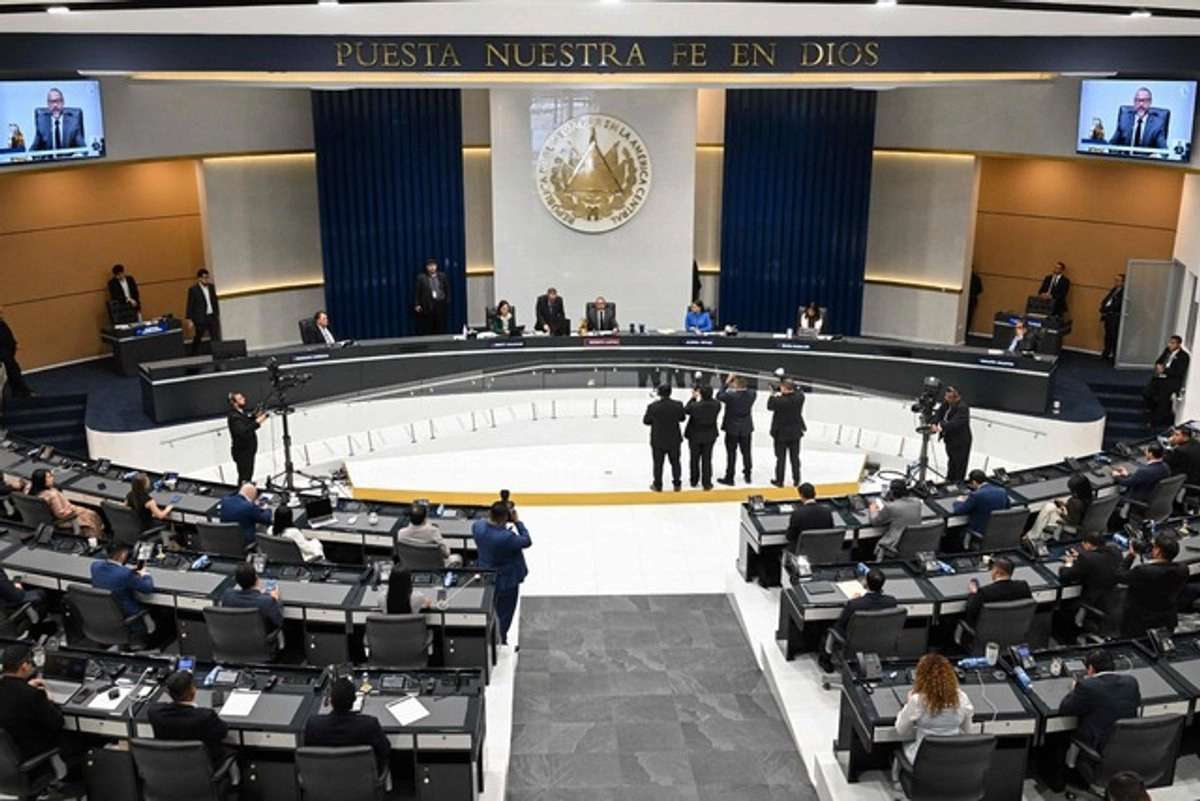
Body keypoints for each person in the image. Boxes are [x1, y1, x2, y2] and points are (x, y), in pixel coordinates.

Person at [894, 653, 975, 766]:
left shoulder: (918, 700)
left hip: (923, 760)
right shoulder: (962, 698)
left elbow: (900, 730)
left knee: (902, 746)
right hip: (952, 760)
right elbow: (968, 732)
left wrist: (908, 703)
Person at [1059, 649, 1140, 759]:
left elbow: (1065, 709)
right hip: (1127, 750)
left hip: (1098, 749)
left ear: (1091, 668)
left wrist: (1074, 689)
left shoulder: (1087, 686)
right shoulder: (1131, 682)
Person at [0, 644, 66, 779]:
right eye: (32, 663)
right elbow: (58, 722)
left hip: (6, 761)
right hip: (32, 759)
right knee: (80, 740)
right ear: (24, 666)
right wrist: (49, 699)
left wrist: (25, 686)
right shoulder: (32, 695)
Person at [472, 499, 531, 646]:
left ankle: (491, 638)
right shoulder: (506, 537)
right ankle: (500, 640)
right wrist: (517, 522)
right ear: (505, 517)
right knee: (505, 614)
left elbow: (485, 523)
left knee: (490, 608)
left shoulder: (477, 527)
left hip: (486, 576)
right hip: (506, 580)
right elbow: (526, 540)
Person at [818, 567, 898, 673]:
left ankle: (825, 660)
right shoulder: (892, 602)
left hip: (855, 638)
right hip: (878, 637)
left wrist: (854, 601)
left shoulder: (854, 604)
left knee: (832, 630)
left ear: (866, 583)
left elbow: (841, 624)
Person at [148, 670, 233, 768]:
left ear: (169, 693)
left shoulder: (155, 713)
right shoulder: (206, 716)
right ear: (192, 690)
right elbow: (223, 732)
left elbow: (158, 706)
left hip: (170, 766)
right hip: (206, 766)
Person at [304, 677, 391, 772]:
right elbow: (385, 750)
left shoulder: (313, 725)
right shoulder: (370, 724)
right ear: (354, 700)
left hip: (324, 775)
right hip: (362, 777)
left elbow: (309, 753)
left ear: (331, 701)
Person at [1117, 532, 1188, 638]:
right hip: (1166, 620)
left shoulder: (1144, 571)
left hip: (1140, 623)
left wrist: (1131, 555)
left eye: (1154, 547)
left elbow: (1119, 575)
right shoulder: (1182, 569)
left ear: (1158, 551)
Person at [1056, 531, 1122, 639]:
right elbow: (1099, 563)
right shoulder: (1116, 552)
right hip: (1111, 602)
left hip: (1091, 603)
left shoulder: (1087, 558)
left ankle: (1066, 637)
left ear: (1089, 544)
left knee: (1062, 606)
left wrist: (1068, 563)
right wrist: (1081, 557)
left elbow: (1066, 575)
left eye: (1084, 544)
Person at [90, 542, 155, 625]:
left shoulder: (95, 566)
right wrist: (145, 574)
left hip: (104, 618)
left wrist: (129, 572)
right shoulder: (125, 573)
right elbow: (148, 588)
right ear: (123, 555)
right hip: (129, 619)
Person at [221, 562, 284, 641]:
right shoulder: (268, 601)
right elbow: (279, 622)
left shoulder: (227, 595)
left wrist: (259, 593)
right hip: (260, 643)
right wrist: (276, 599)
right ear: (257, 579)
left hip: (233, 641)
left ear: (236, 580)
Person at [963, 556, 1031, 629]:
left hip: (988, 631)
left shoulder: (984, 593)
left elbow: (970, 611)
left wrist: (973, 593)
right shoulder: (1023, 586)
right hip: (1015, 630)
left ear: (996, 572)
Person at [30, 468, 103, 536]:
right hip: (65, 519)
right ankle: (95, 539)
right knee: (92, 515)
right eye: (49, 477)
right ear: (42, 480)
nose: (52, 478)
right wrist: (75, 511)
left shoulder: (33, 491)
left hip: (46, 519)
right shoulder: (53, 495)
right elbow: (61, 514)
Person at [716, 374, 757, 486]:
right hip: (746, 428)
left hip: (732, 428)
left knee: (731, 454)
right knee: (747, 453)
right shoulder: (752, 394)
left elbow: (719, 395)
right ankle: (748, 475)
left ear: (736, 384)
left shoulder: (730, 396)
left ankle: (730, 477)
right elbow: (748, 390)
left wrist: (726, 382)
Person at [644, 384, 686, 492]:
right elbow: (682, 418)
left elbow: (646, 421)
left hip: (658, 440)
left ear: (659, 393)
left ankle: (658, 485)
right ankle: (677, 484)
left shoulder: (653, 406)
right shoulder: (678, 405)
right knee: (675, 462)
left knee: (658, 464)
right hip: (674, 439)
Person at [1027, 473, 1093, 541]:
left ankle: (1033, 537)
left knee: (1048, 508)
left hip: (1072, 527)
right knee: (1051, 508)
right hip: (1080, 523)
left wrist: (1061, 513)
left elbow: (1073, 521)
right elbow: (1078, 512)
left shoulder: (1075, 502)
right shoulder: (1089, 497)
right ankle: (1038, 535)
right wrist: (1065, 506)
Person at [951, 469, 1012, 543]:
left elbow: (958, 511)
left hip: (979, 535)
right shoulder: (1002, 491)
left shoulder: (975, 495)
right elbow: (1008, 508)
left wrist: (958, 501)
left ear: (974, 482)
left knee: (954, 534)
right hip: (997, 534)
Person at [870, 479, 925, 560]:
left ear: (891, 492)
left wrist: (872, 508)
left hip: (893, 547)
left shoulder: (891, 507)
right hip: (914, 546)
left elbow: (875, 522)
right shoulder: (917, 503)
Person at [1143, 335, 1189, 427]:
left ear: (1178, 344)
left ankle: (1155, 422)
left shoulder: (1183, 356)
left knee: (1163, 399)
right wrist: (1158, 366)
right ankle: (1151, 409)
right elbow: (1159, 361)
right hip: (1160, 377)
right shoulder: (1167, 351)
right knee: (1147, 393)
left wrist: (1164, 370)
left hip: (1171, 381)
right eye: (1169, 343)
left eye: (1173, 343)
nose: (1170, 345)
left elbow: (1179, 372)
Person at [396, 503, 462, 567]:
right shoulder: (433, 531)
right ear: (425, 518)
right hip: (434, 567)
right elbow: (447, 554)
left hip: (410, 565)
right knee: (457, 558)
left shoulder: (401, 533)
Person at [767, 379, 805, 487]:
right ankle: (797, 479)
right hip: (795, 432)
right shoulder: (800, 398)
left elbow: (769, 406)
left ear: (784, 388)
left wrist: (772, 393)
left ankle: (780, 481)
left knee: (780, 459)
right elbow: (798, 390)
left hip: (781, 434)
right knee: (795, 458)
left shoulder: (779, 401)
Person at [684, 385, 721, 490]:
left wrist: (693, 398)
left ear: (701, 394)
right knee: (707, 459)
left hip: (694, 435)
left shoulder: (695, 406)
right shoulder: (717, 404)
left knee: (694, 459)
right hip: (710, 435)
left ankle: (694, 480)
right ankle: (707, 483)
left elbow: (686, 410)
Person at [227, 392, 267, 486]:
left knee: (248, 475)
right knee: (244, 476)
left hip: (248, 451)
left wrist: (254, 416)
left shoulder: (241, 413)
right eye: (240, 399)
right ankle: (243, 491)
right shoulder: (234, 417)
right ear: (234, 403)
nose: (244, 399)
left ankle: (247, 488)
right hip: (243, 453)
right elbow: (243, 432)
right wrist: (258, 422)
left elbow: (247, 422)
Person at [932, 386, 972, 482]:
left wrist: (941, 426)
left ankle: (958, 482)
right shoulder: (947, 403)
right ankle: (949, 480)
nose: (946, 399)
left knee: (959, 464)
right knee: (951, 461)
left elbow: (955, 423)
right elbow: (939, 413)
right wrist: (934, 423)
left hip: (961, 441)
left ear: (957, 398)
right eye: (946, 397)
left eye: (949, 397)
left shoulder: (963, 408)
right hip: (949, 439)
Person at [30, 87, 85, 152]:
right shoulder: (42, 122)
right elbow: (34, 149)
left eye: (58, 101)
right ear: (48, 104)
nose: (55, 105)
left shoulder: (73, 122)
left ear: (63, 102)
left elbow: (82, 148)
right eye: (52, 102)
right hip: (50, 158)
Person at [785, 482, 834, 551]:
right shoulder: (827, 512)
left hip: (802, 554)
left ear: (801, 495)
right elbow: (831, 532)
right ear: (815, 494)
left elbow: (789, 537)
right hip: (823, 552)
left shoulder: (797, 514)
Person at [186, 268, 220, 355]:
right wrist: (189, 319)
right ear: (199, 279)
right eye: (204, 278)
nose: (206, 280)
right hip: (200, 317)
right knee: (198, 336)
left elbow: (215, 301)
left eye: (207, 277)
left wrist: (216, 313)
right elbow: (190, 304)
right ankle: (194, 352)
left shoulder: (212, 287)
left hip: (211, 316)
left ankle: (216, 353)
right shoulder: (193, 290)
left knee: (215, 336)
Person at [0, 306, 32, 398]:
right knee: (10, 366)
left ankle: (20, 391)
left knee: (12, 367)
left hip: (6, 355)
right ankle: (21, 391)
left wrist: (13, 346)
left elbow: (9, 340)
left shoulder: (2, 325)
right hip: (4, 356)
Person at [414, 258, 450, 335]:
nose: (432, 268)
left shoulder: (442, 276)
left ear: (436, 266)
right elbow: (417, 292)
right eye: (430, 266)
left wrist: (447, 301)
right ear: (427, 267)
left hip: (440, 303)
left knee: (440, 325)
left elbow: (447, 289)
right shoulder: (421, 278)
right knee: (428, 326)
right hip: (427, 305)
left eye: (433, 265)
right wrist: (417, 304)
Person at [1098, 274, 1124, 362]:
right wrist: (1103, 308)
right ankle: (1106, 353)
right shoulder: (1114, 290)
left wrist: (1107, 309)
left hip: (1115, 317)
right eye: (1115, 280)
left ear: (1123, 282)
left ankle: (1114, 357)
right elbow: (1106, 300)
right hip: (1108, 316)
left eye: (1118, 280)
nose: (1115, 282)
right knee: (1107, 336)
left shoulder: (1123, 292)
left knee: (1114, 337)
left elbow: (1117, 305)